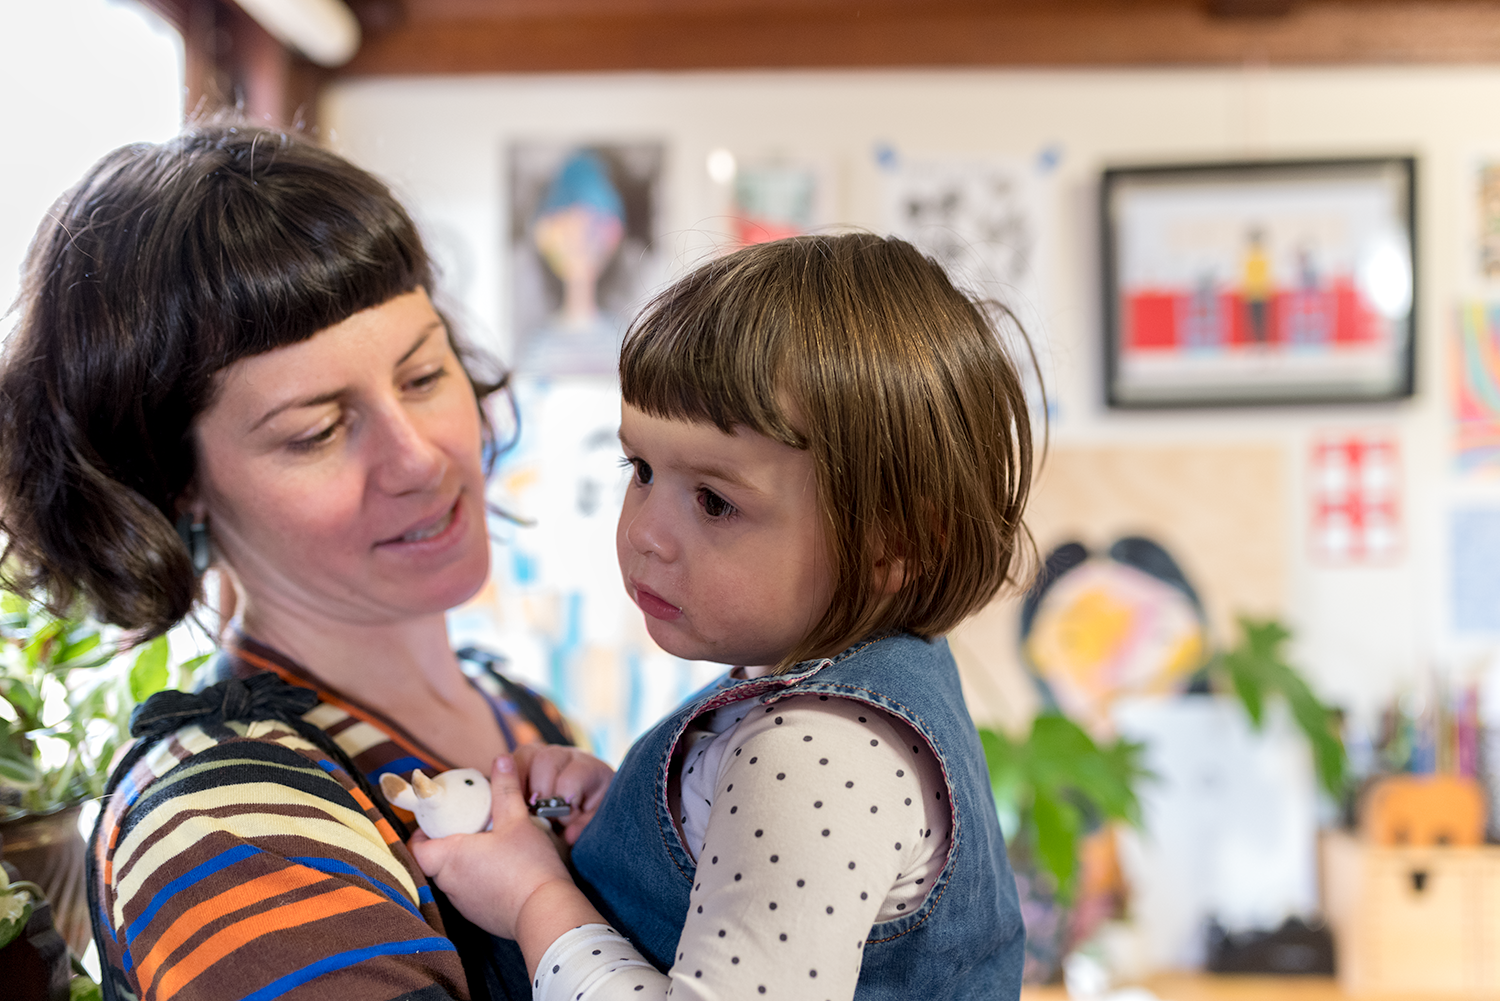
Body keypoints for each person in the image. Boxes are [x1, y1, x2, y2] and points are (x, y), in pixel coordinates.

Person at [0, 123, 608, 1001]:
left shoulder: (520, 713)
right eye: (316, 431)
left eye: (424, 375)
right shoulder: (227, 820)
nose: (420, 459)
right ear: (178, 487)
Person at [414, 234, 1033, 1000]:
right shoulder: (833, 702)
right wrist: (630, 823)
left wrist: (535, 895)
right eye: (639, 469)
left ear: (893, 543)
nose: (644, 532)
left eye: (714, 500)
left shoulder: (814, 750)